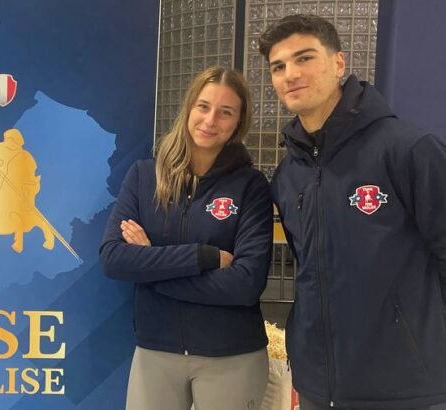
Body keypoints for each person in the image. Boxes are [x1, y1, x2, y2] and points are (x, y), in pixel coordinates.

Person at [259, 14, 446, 410]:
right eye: (278, 66)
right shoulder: (289, 174)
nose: (291, 74)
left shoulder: (409, 150)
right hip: (315, 386)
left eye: (304, 58)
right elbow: (308, 268)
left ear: (339, 63)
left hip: (403, 390)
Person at [100, 66, 273, 409]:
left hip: (232, 356)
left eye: (226, 112)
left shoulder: (251, 186)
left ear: (239, 123)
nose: (210, 120)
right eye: (203, 106)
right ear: (189, 108)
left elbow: (245, 284)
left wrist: (152, 270)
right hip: (156, 352)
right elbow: (114, 258)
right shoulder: (144, 177)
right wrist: (203, 257)